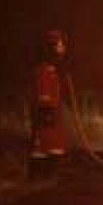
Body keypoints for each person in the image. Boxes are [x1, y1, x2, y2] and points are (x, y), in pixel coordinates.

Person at [29, 30, 68, 179]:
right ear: (52, 48)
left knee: (50, 145)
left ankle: (46, 175)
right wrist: (47, 111)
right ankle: (41, 175)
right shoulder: (45, 71)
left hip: (51, 116)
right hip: (46, 115)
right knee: (44, 145)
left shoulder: (51, 70)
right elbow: (43, 95)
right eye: (60, 45)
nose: (62, 48)